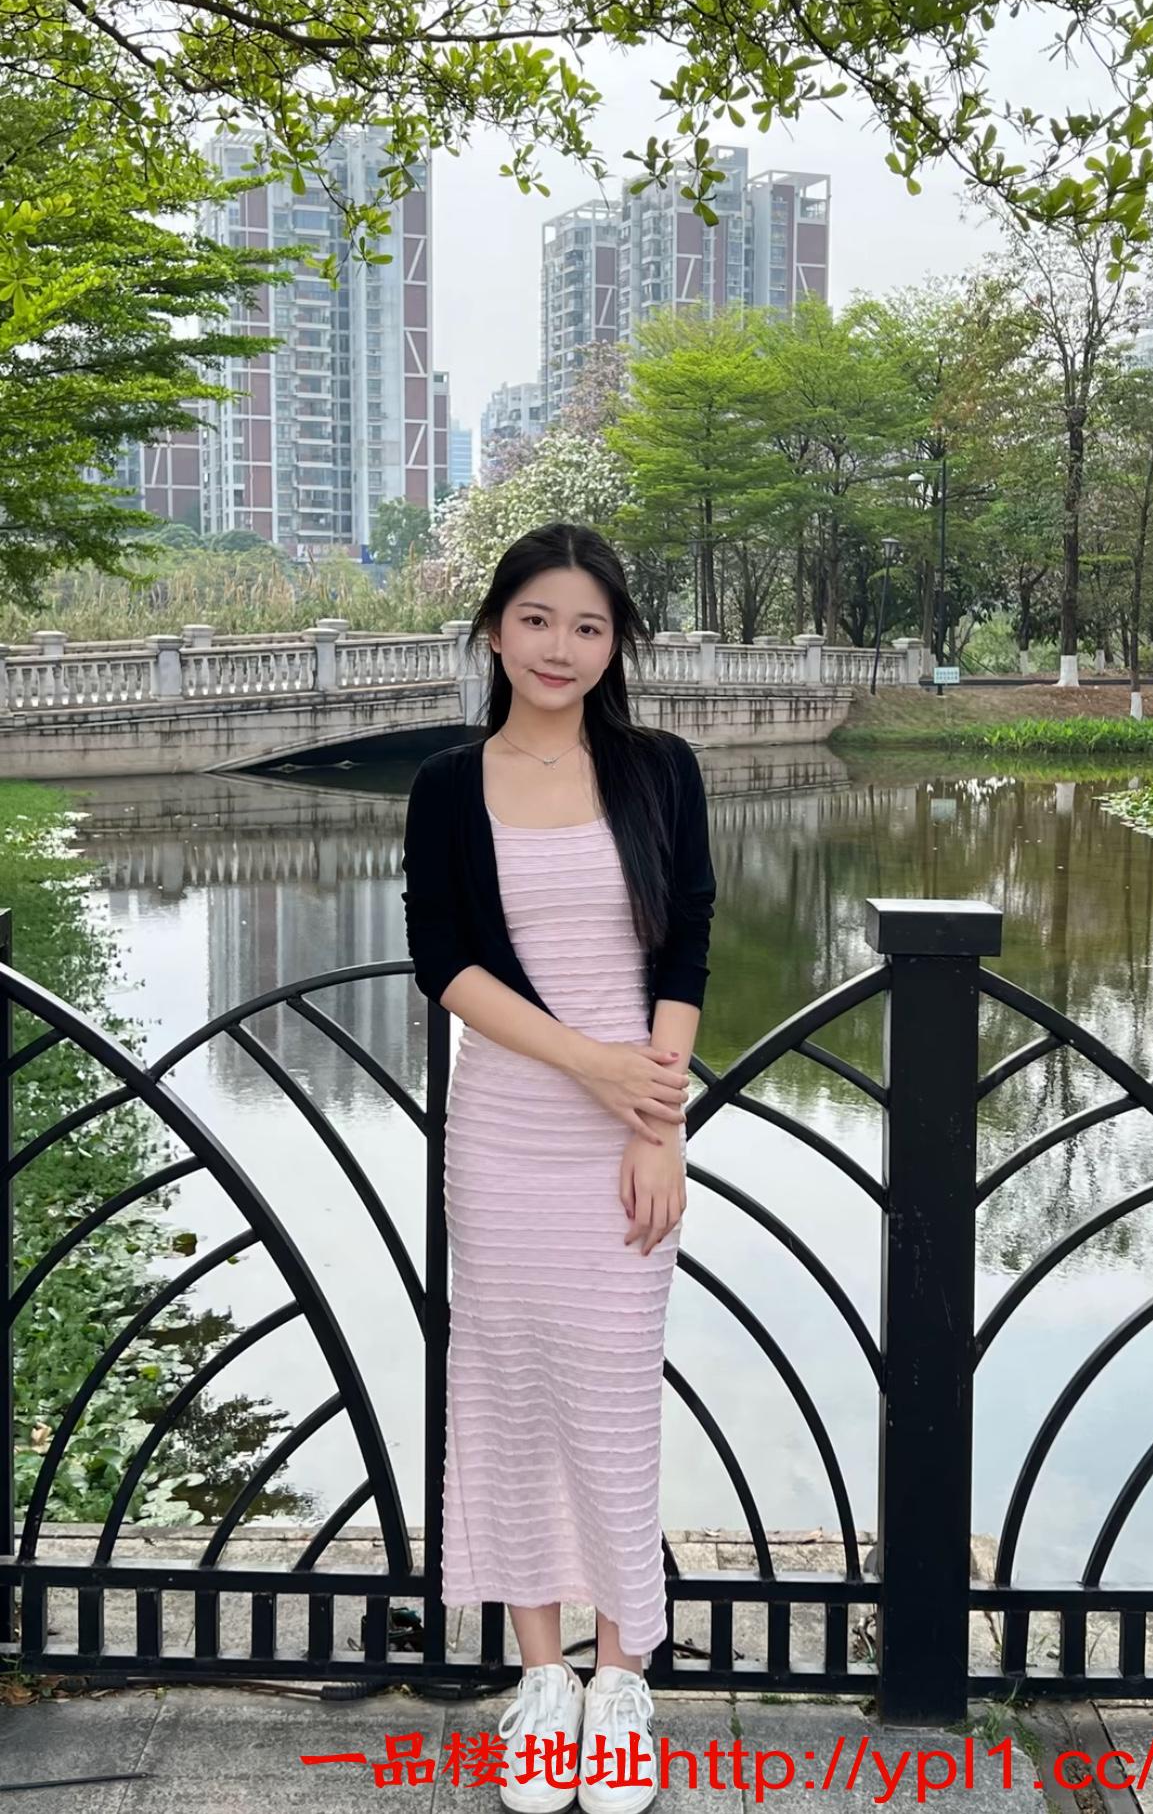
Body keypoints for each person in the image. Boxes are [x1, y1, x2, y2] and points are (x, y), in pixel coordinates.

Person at [401, 522, 716, 1814]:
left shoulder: (658, 770)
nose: (560, 646)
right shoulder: (447, 783)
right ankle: (542, 1674)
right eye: (537, 619)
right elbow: (445, 960)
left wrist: (655, 1123)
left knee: (613, 1397)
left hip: (629, 1133)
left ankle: (621, 1674)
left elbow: (687, 939)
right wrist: (592, 1067)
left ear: (614, 644)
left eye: (588, 625)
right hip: (509, 1133)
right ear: (495, 630)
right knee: (512, 1397)